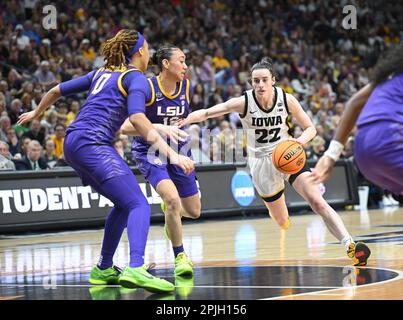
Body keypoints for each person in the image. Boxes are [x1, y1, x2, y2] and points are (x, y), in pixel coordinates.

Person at [18, 29, 194, 293]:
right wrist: (173, 155)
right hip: (93, 143)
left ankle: (103, 267)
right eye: (146, 48)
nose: (148, 52)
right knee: (138, 204)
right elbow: (137, 119)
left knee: (124, 205)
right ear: (140, 52)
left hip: (73, 142)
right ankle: (136, 267)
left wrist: (36, 112)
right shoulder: (135, 78)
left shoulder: (102, 72)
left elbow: (56, 90)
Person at [179, 58, 371, 266]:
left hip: (288, 155)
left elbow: (311, 128)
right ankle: (281, 214)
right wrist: (186, 119)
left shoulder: (287, 100)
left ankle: (350, 245)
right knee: (281, 220)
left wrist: (298, 143)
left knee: (317, 200)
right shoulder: (244, 102)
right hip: (261, 164)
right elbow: (208, 112)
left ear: (273, 81)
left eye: (264, 80)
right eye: (255, 81)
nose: (260, 85)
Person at [121, 44, 201, 277]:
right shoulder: (146, 86)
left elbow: (181, 119)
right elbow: (125, 126)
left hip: (179, 149)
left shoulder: (185, 87)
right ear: (166, 64)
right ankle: (180, 257)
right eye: (182, 60)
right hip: (150, 151)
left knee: (194, 211)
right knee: (172, 199)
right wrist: (157, 127)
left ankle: (171, 211)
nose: (186, 66)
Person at [311, 42, 403, 197]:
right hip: (391, 138)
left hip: (364, 152)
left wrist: (331, 155)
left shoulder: (391, 76)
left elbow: (354, 103)